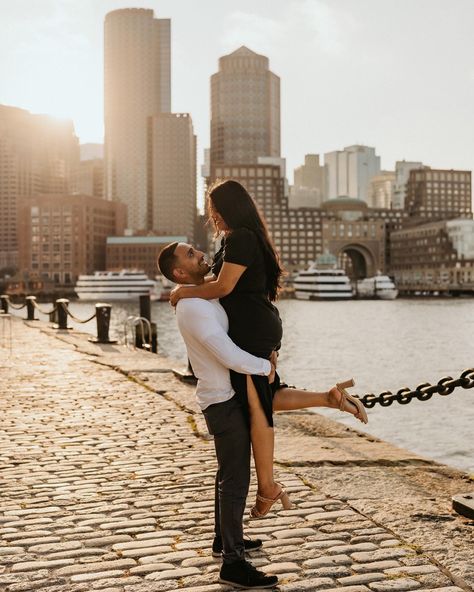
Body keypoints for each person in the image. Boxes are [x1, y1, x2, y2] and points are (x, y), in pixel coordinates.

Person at [169, 180, 368, 518]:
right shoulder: (238, 240)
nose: (212, 216)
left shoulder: (241, 239)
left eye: (215, 210)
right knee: (267, 394)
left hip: (251, 328)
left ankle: (267, 487)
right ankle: (328, 398)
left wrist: (180, 293)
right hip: (257, 325)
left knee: (258, 407)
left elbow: (224, 286)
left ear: (229, 209)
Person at [158, 242, 279, 590]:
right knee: (236, 479)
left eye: (196, 249)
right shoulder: (193, 307)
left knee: (228, 474)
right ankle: (232, 562)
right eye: (191, 255)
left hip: (227, 394)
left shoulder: (200, 295)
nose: (200, 254)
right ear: (180, 272)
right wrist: (264, 368)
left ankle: (223, 540)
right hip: (222, 400)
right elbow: (224, 351)